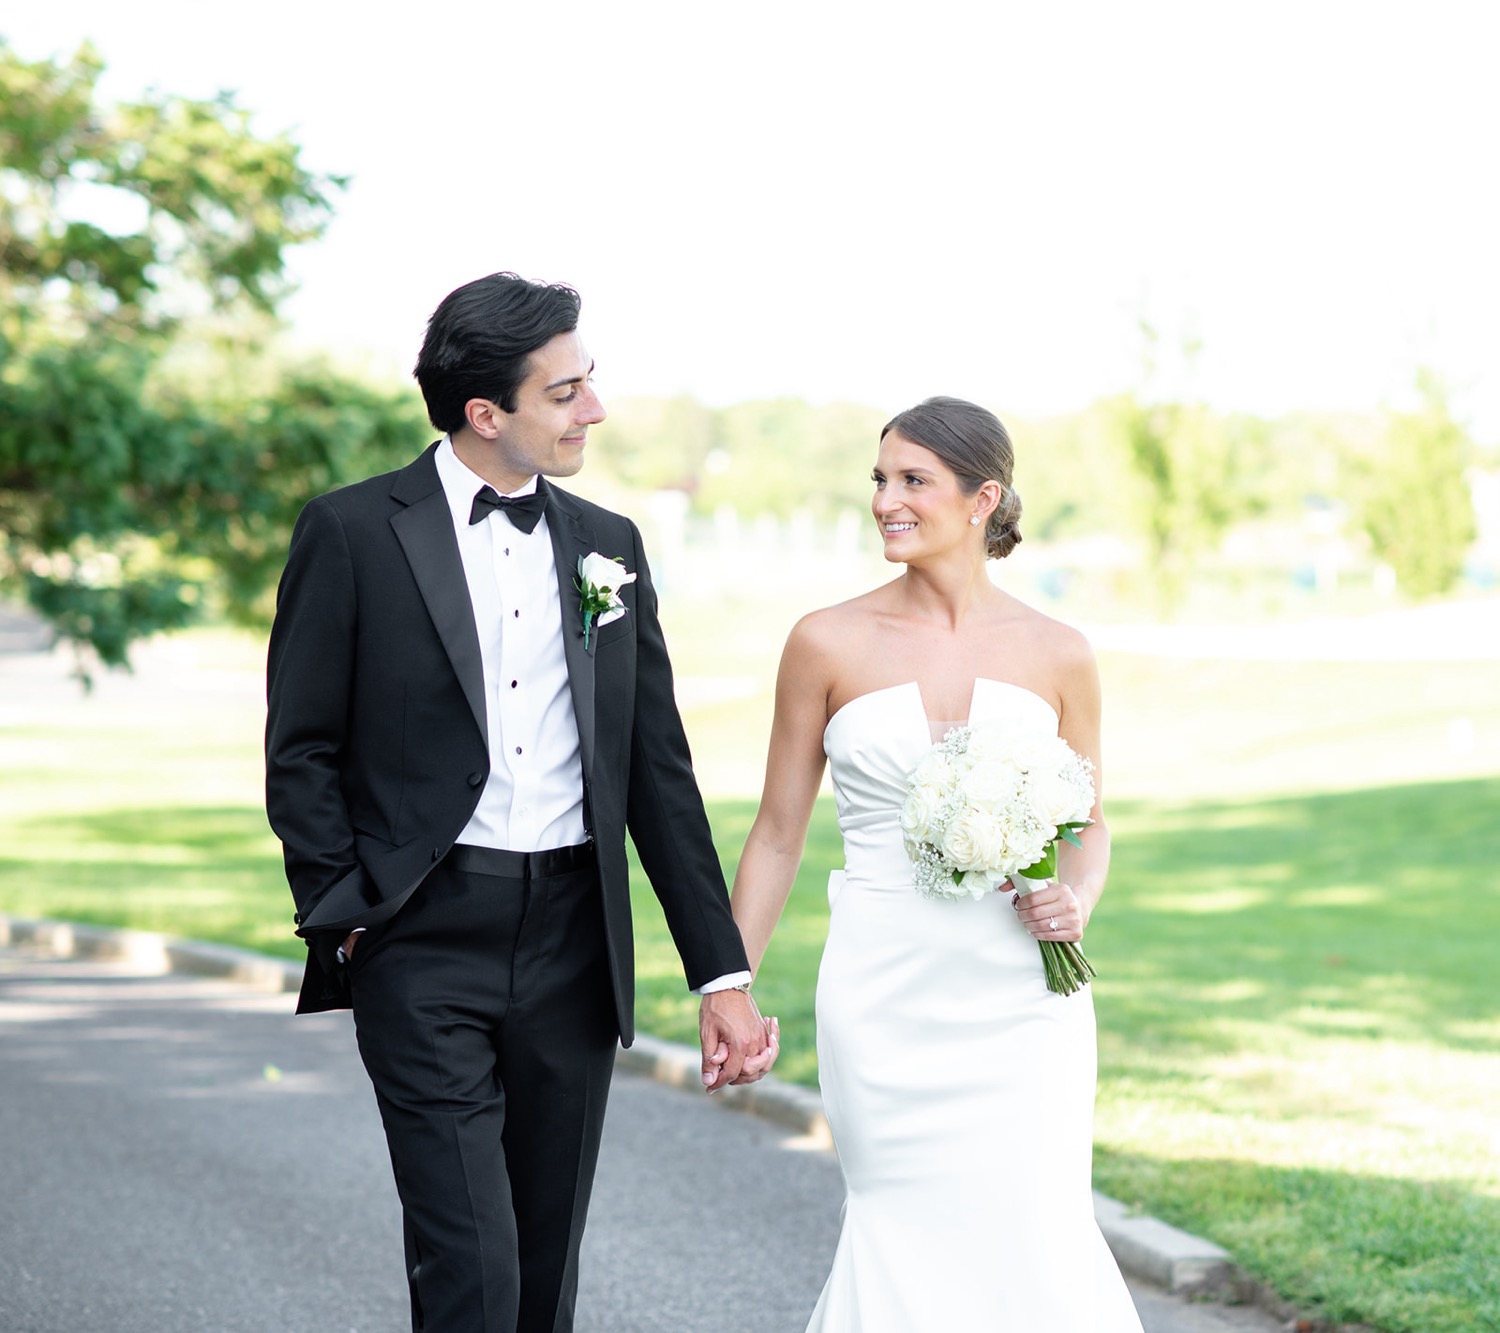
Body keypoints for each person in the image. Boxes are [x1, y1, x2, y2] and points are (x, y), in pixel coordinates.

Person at [264, 272, 774, 1333]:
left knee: (543, 1269)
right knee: (473, 1263)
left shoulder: (609, 547)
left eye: (591, 383)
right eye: (567, 391)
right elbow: (302, 747)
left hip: (573, 947)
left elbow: (657, 773)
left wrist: (720, 973)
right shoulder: (353, 532)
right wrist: (348, 912)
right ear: (486, 413)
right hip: (421, 936)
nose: (594, 409)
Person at [729, 396, 1142, 1330]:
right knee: (899, 1225)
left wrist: (1075, 897)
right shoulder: (824, 640)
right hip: (883, 992)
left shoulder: (1060, 652)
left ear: (982, 498)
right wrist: (732, 982)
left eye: (913, 480)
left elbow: (1092, 824)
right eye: (880, 479)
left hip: (1023, 1000)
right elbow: (779, 832)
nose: (885, 501)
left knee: (1036, 1225)